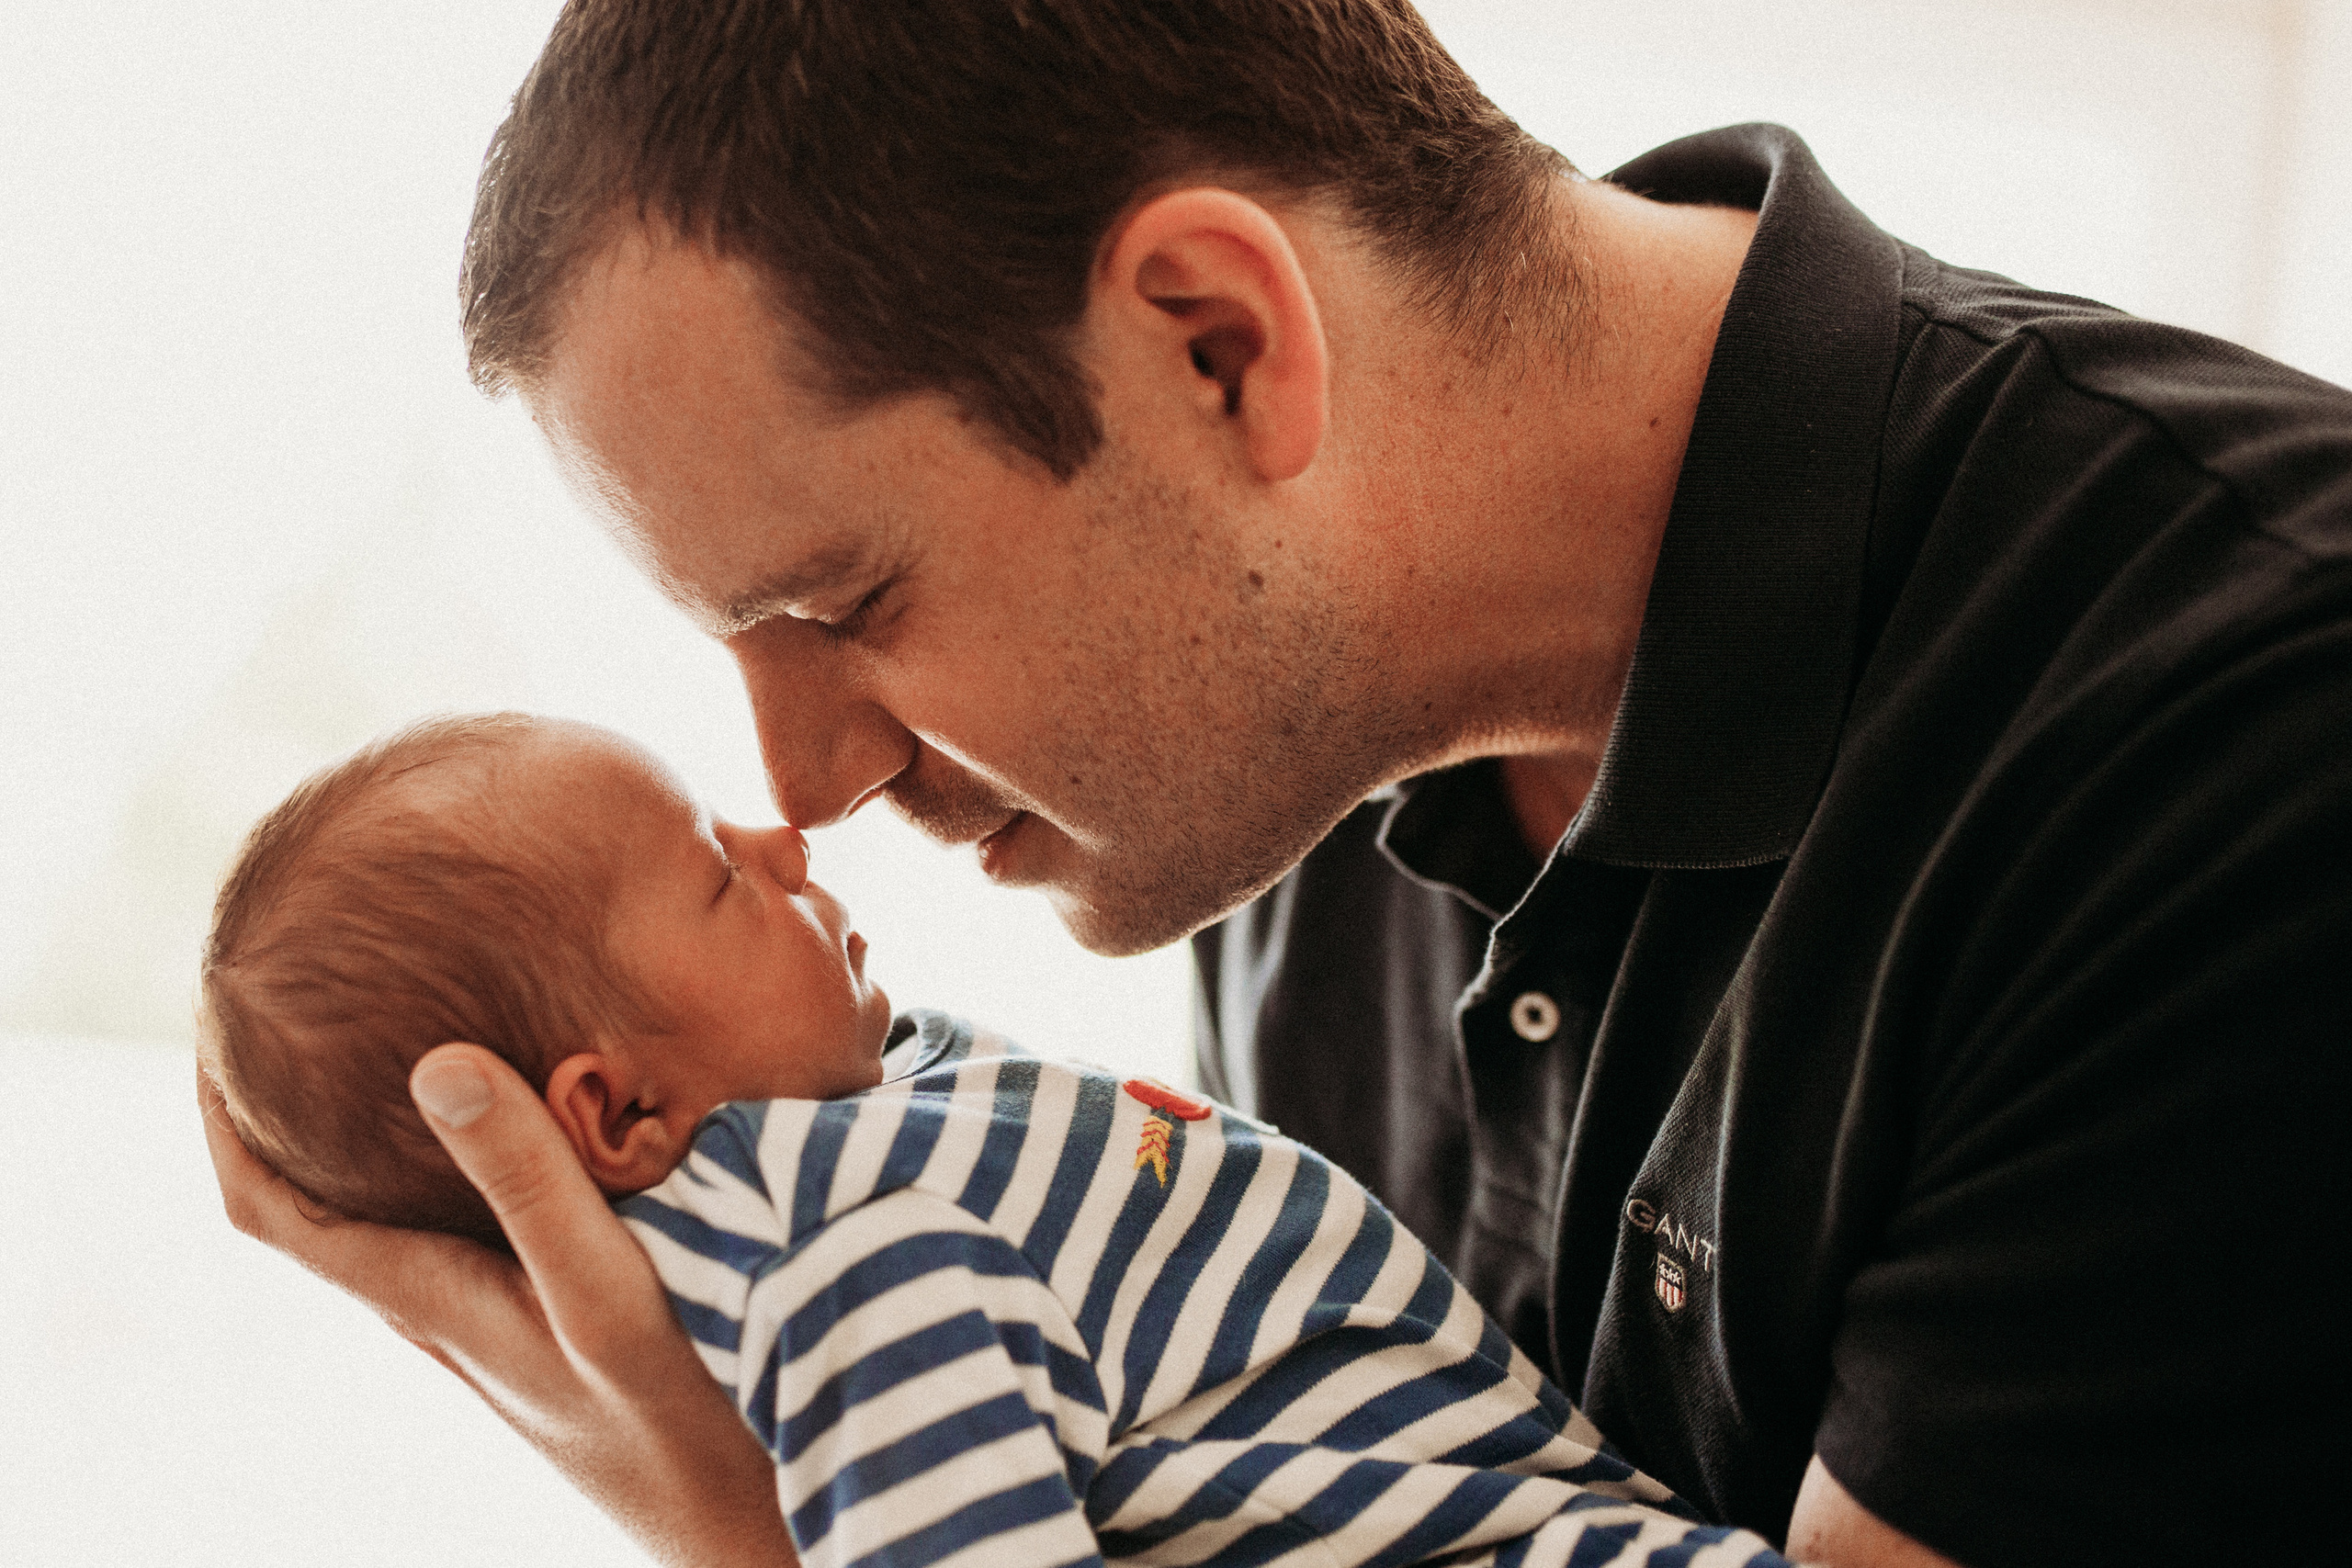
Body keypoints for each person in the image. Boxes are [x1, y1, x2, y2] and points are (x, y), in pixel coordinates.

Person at [198, 2, 2352, 1565]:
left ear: (1214, 342)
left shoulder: (2243, 741)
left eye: (842, 599)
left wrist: (759, 1537)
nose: (808, 783)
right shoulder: (1271, 760)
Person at [198, 711, 1794, 1568]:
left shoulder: (871, 1128)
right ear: (614, 1116)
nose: (778, 836)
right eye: (713, 875)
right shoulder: (843, 1256)